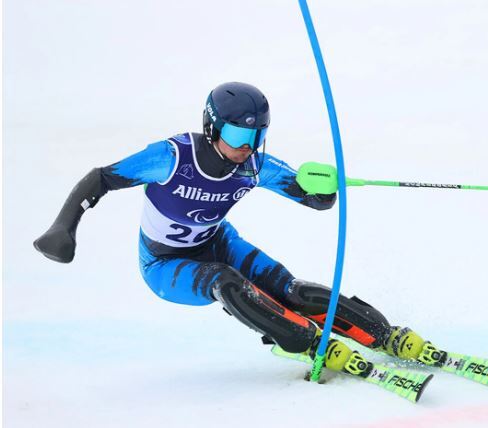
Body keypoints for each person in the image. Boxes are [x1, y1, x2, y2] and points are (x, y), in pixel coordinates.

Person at [34, 82, 446, 376]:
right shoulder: (171, 158)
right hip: (165, 265)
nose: (246, 146)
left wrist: (324, 189)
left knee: (293, 292)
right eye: (237, 134)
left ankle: (384, 335)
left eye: (256, 135)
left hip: (219, 242)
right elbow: (101, 178)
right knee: (226, 282)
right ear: (212, 127)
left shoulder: (253, 165)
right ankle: (304, 342)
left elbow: (311, 198)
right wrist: (64, 228)